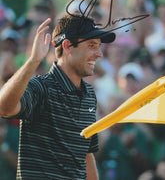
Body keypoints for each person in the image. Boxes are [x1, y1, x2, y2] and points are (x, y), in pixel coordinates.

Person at [0, 14, 116, 179]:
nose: (99, 54)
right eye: (91, 45)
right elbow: (4, 108)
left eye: (98, 46)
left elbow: (86, 154)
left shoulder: (89, 94)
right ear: (68, 46)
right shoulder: (41, 87)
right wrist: (33, 61)